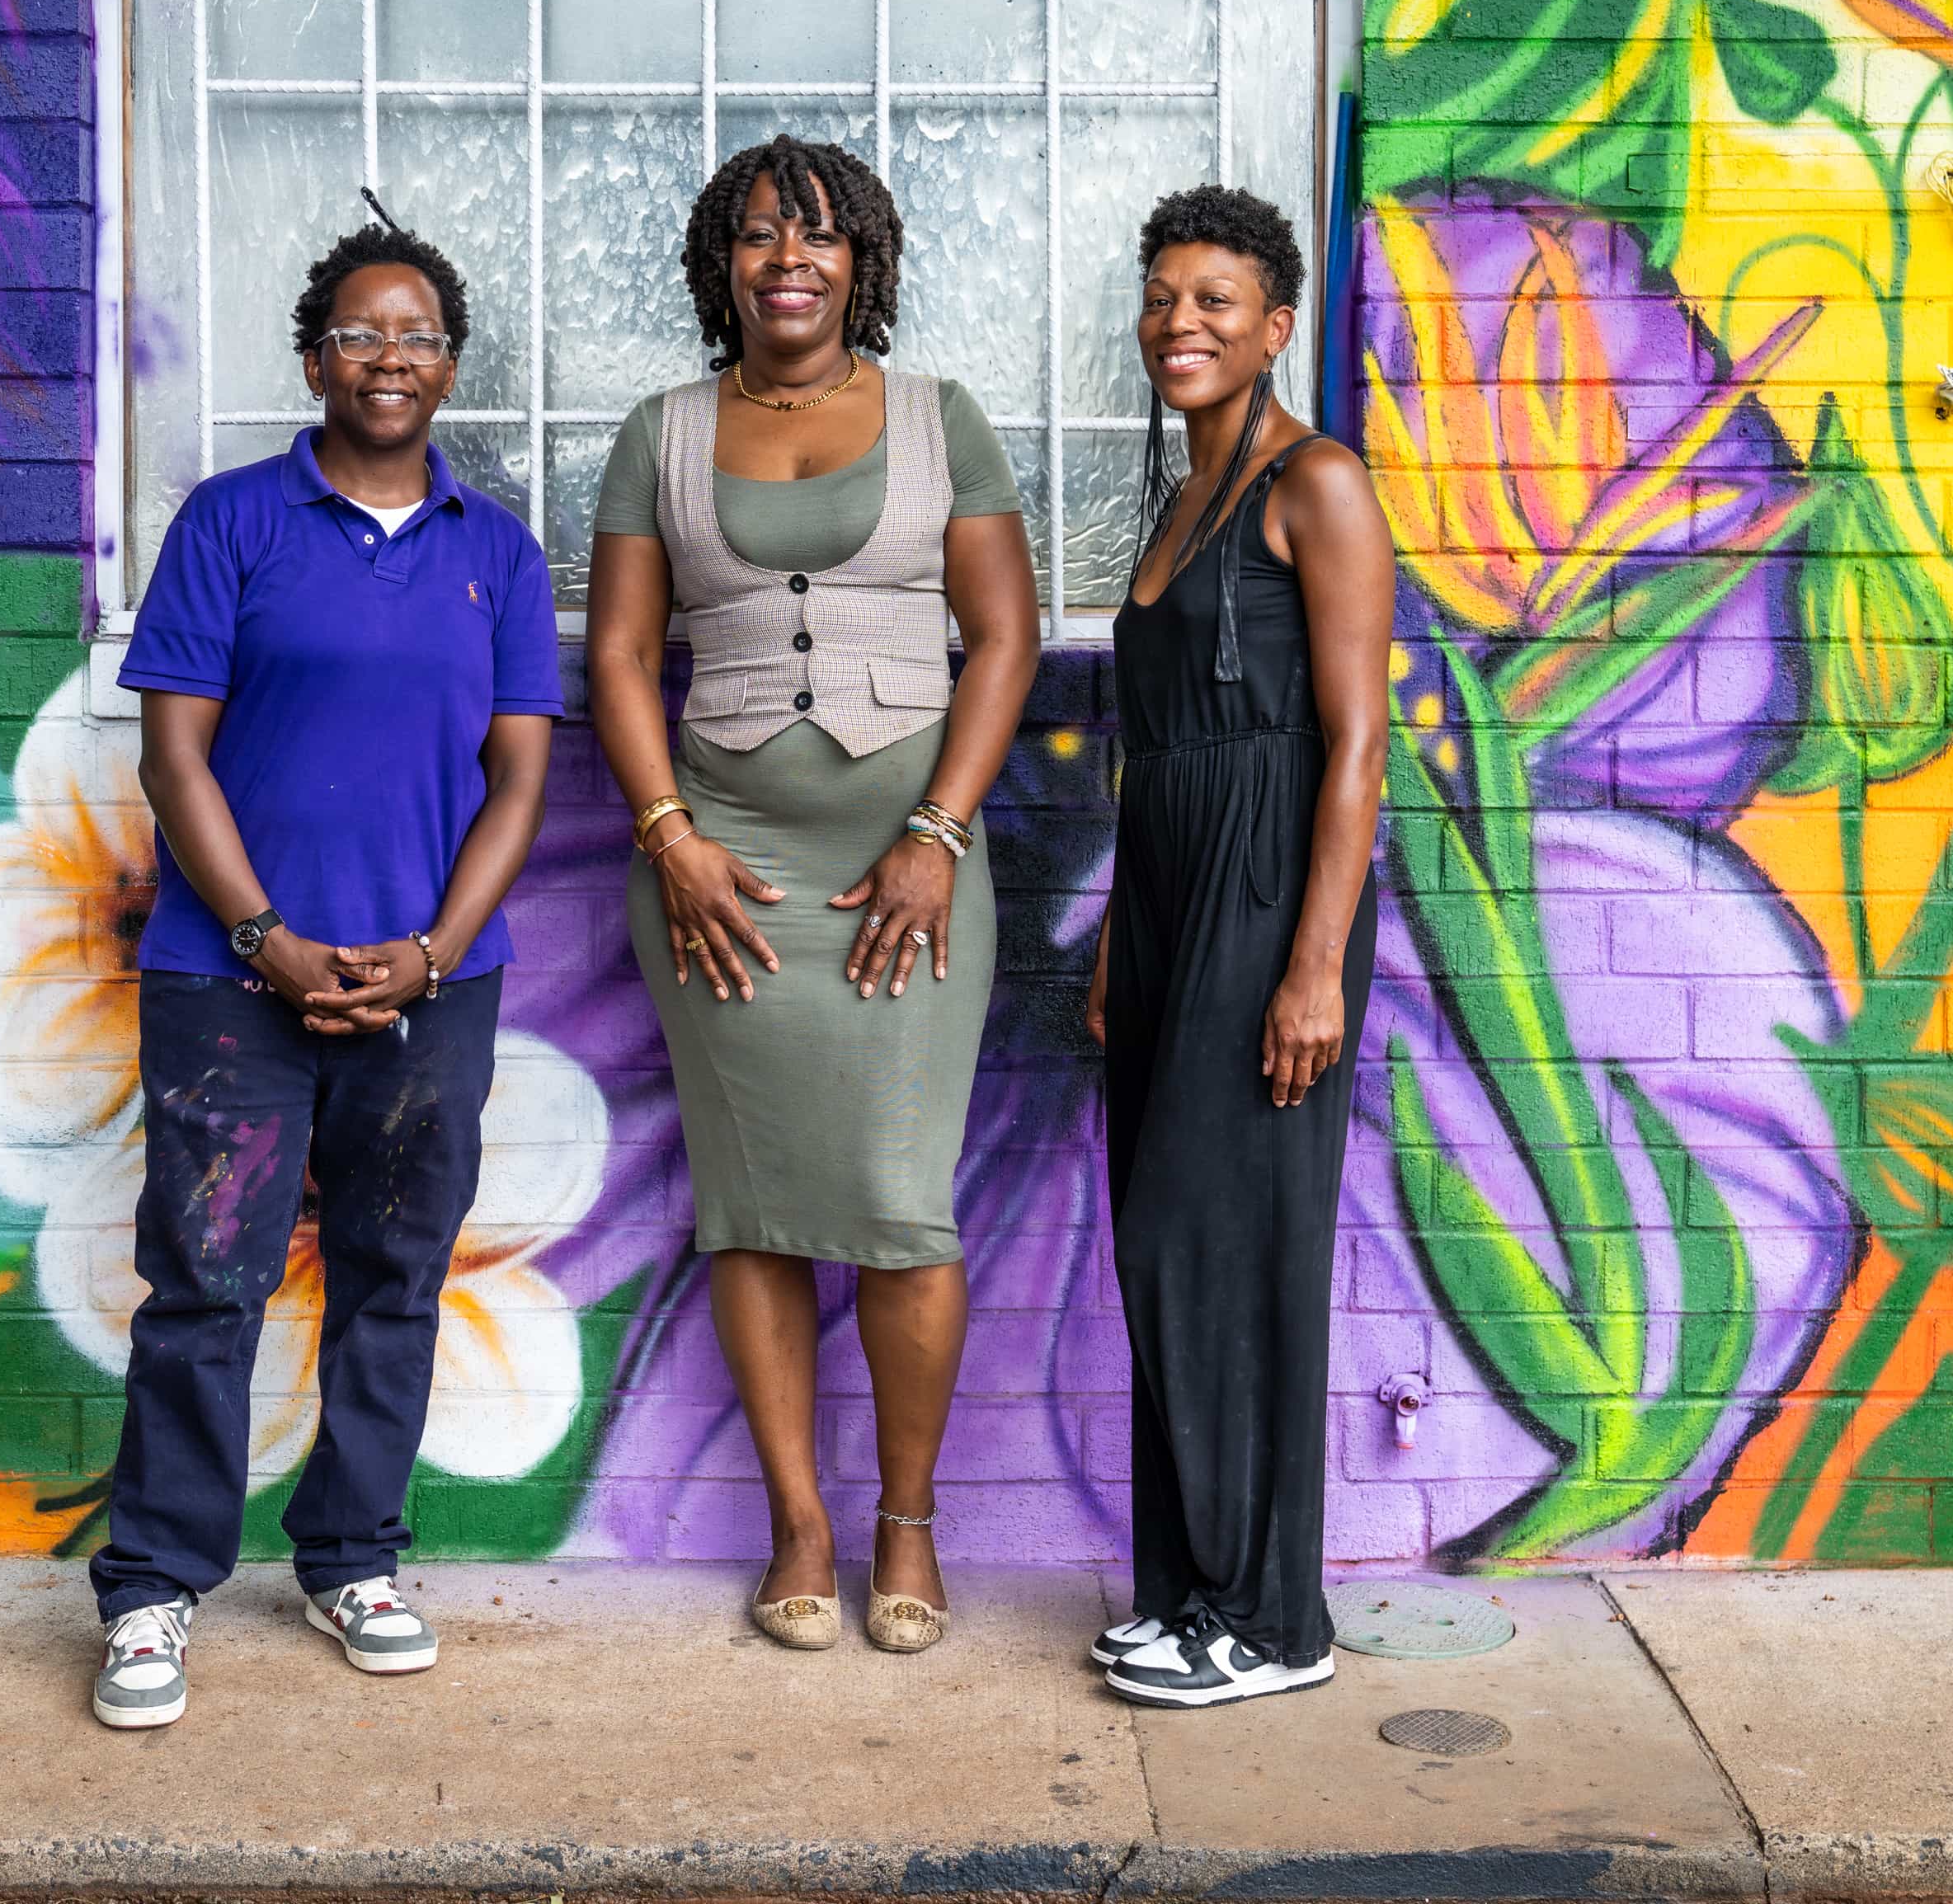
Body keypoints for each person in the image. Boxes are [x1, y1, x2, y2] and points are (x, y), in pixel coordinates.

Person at [87, 196, 562, 1728]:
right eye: (360, 333)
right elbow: (174, 756)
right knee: (204, 1284)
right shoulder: (231, 522)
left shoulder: (500, 553)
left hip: (434, 988)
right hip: (229, 981)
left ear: (451, 365)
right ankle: (154, 1588)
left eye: (419, 336)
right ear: (314, 360)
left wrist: (431, 952)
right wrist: (267, 941)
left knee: (393, 1277)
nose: (389, 356)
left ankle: (353, 1558)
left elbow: (520, 780)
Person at [586, 135, 1039, 1654]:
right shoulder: (659, 433)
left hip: (912, 872)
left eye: (822, 235)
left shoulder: (940, 419)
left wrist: (939, 833)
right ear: (722, 261)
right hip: (721, 871)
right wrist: (669, 837)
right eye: (762, 234)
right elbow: (617, 654)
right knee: (757, 1205)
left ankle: (908, 1523)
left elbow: (1004, 639)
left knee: (904, 1209)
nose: (791, 257)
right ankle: (799, 1524)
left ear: (865, 264)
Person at [1087, 186, 1394, 1707]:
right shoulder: (1180, 495)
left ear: (1276, 327)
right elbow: (1153, 749)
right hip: (1165, 895)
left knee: (1222, 1240)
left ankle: (1274, 1622)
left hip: (1268, 890)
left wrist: (1316, 962)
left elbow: (1357, 743)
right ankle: (1191, 1589)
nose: (1179, 322)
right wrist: (1115, 931)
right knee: (1163, 1241)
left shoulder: (1314, 482)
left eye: (1215, 300)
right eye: (1161, 297)